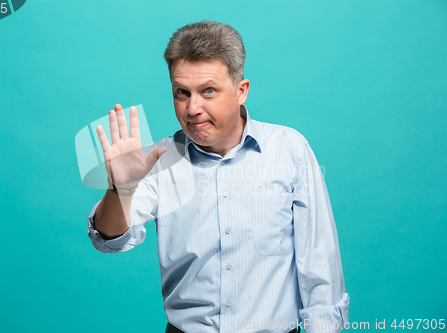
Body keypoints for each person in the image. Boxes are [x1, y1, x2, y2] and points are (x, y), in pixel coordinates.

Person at [87, 20, 350, 333]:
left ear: (241, 91)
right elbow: (109, 239)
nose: (192, 108)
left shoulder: (290, 150)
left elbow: (320, 270)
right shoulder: (156, 161)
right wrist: (120, 188)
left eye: (208, 91)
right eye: (181, 93)